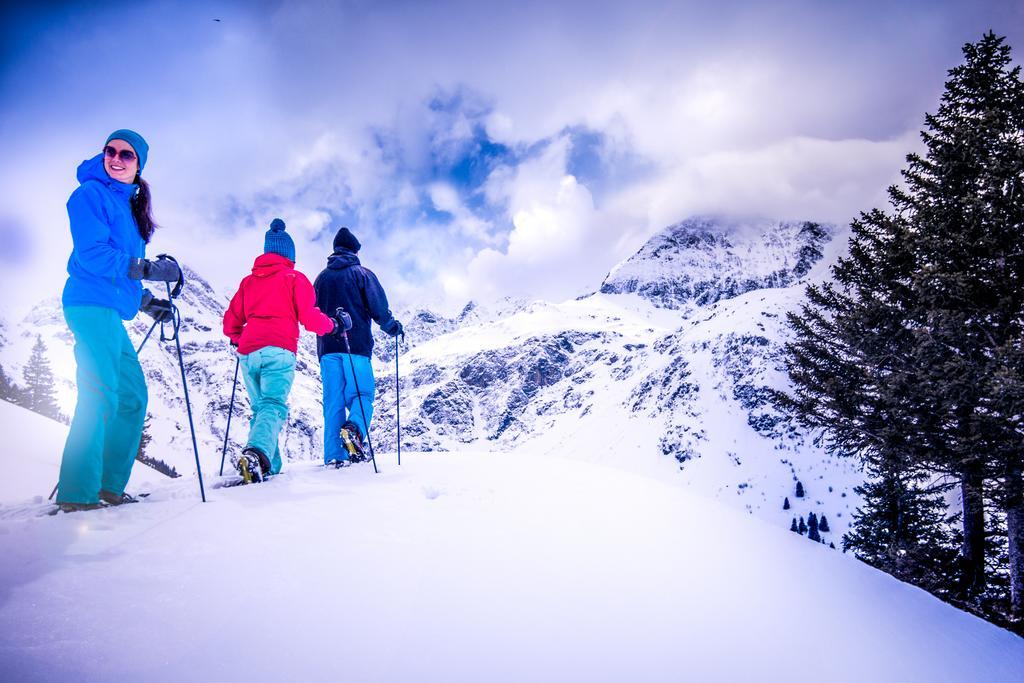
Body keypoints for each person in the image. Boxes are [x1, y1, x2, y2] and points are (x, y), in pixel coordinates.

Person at [56, 129, 181, 512]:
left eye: (126, 155)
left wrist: (147, 303)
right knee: (99, 393)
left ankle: (109, 485)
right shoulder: (89, 195)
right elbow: (94, 255)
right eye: (110, 151)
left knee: (131, 397)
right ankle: (78, 492)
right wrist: (145, 267)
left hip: (109, 309)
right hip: (89, 305)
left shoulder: (129, 209)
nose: (115, 158)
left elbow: (119, 274)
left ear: (138, 164)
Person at [222, 218, 346, 482]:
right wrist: (333, 325)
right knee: (273, 405)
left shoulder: (248, 282)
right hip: (278, 350)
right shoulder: (294, 278)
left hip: (248, 353)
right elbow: (310, 318)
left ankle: (268, 465)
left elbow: (230, 321)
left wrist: (238, 337)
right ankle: (256, 454)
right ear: (289, 255)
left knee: (262, 408)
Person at [314, 227, 403, 467]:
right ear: (354, 250)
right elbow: (379, 308)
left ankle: (334, 455)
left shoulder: (320, 278)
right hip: (356, 347)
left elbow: (312, 312)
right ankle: (353, 430)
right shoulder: (362, 274)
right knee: (361, 394)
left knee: (333, 400)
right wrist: (392, 327)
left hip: (327, 349)